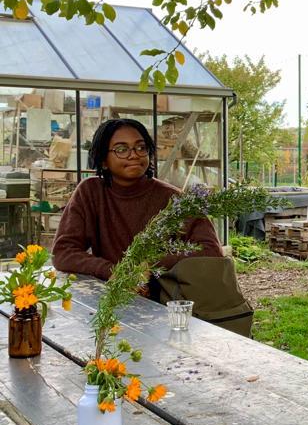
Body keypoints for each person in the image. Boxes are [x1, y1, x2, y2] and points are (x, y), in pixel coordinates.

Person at [53, 118, 223, 295]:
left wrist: (149, 266)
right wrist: (114, 271)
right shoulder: (90, 192)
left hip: (168, 301)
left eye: (141, 147)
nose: (134, 154)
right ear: (103, 160)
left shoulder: (174, 200)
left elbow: (211, 251)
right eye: (121, 149)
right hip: (112, 295)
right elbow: (63, 252)